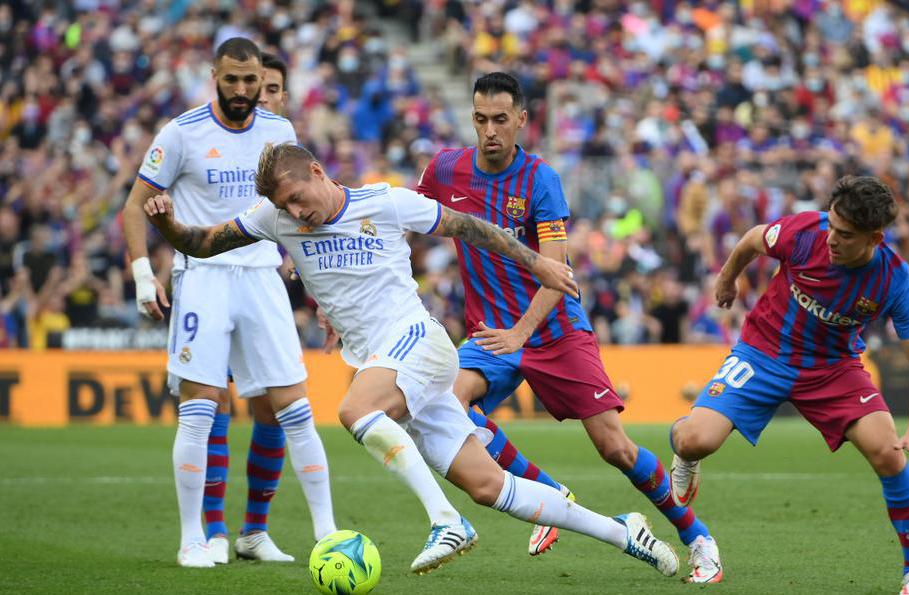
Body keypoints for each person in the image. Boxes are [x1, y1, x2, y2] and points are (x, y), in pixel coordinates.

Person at [143, 141, 681, 578]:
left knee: (355, 411)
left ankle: (446, 521)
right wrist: (166, 224)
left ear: (316, 169)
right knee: (489, 487)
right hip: (389, 362)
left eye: (297, 197)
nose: (295, 212)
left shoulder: (387, 202)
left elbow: (471, 228)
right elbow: (205, 241)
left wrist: (536, 262)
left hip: (417, 341)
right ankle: (622, 529)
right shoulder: (275, 218)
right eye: (284, 207)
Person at [416, 71, 722, 583]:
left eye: (499, 119)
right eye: (480, 119)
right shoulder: (446, 169)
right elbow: (407, 220)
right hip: (492, 335)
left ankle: (698, 537)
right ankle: (554, 498)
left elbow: (556, 275)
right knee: (449, 408)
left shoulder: (540, 181)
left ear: (521, 120)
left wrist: (521, 334)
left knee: (615, 448)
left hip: (553, 330)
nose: (489, 130)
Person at [669, 176, 909, 595]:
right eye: (831, 225)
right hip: (763, 352)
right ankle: (685, 458)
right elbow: (752, 239)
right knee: (693, 440)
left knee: (890, 454)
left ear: (874, 238)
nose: (831, 238)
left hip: (833, 369)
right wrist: (727, 280)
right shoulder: (805, 232)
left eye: (845, 234)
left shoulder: (893, 278)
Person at [122, 38, 336, 568]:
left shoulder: (278, 132)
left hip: (262, 277)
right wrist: (142, 276)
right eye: (231, 79)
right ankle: (195, 537)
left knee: (295, 408)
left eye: (250, 80)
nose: (242, 90)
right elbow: (133, 207)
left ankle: (325, 534)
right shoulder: (181, 132)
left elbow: (297, 212)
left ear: (261, 77)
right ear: (214, 74)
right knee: (199, 409)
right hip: (204, 277)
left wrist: (322, 289)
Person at [199, 51, 310, 565]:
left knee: (273, 406)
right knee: (213, 401)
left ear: (281, 95)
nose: (256, 97)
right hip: (211, 281)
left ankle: (254, 532)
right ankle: (214, 531)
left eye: (269, 89)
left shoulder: (283, 144)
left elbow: (304, 221)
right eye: (250, 86)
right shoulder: (208, 134)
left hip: (263, 281)